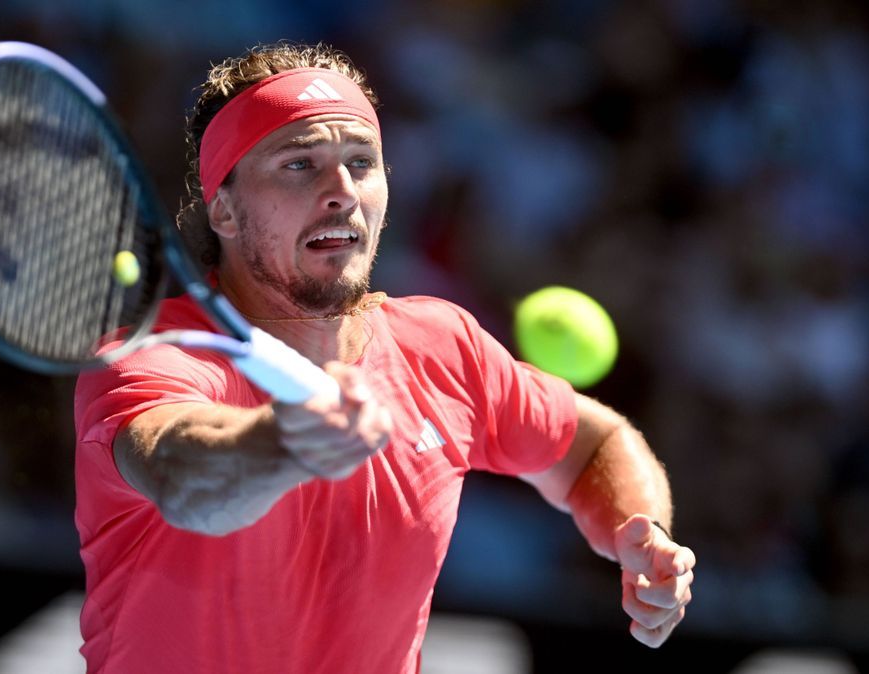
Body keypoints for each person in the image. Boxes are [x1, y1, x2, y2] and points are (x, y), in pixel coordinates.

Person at [73, 42, 695, 673]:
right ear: (225, 210)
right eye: (299, 164)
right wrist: (283, 446)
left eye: (361, 162)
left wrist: (639, 534)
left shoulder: (444, 346)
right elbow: (183, 477)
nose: (342, 190)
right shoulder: (152, 358)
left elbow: (592, 445)